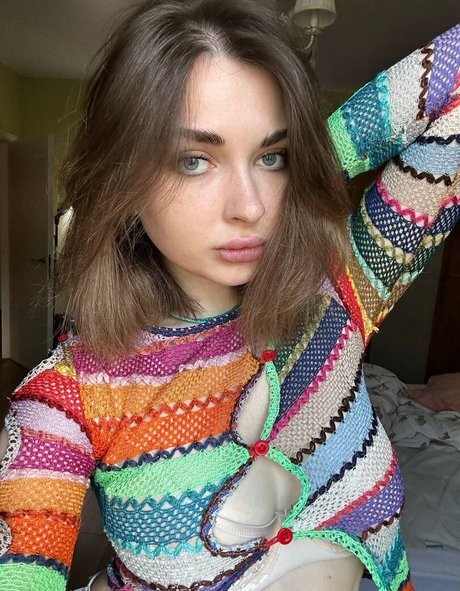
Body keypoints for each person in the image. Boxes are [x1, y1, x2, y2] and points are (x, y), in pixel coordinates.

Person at [0, 1, 458, 590]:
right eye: (195, 160)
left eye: (272, 156)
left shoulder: (338, 294)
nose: (251, 205)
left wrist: (314, 163)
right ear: (123, 178)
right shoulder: (70, 398)